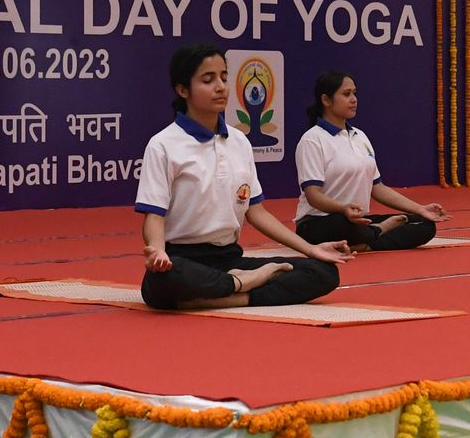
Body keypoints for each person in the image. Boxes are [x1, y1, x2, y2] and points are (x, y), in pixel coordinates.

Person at [136, 45, 352, 309]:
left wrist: (311, 249)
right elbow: (154, 216)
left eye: (224, 77)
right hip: (184, 259)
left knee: (323, 271)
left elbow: (256, 212)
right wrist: (158, 251)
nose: (220, 87)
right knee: (164, 279)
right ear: (183, 90)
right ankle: (240, 285)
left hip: (230, 260)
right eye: (208, 80)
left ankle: (235, 293)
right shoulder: (162, 144)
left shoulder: (239, 141)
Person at [292, 70, 451, 251]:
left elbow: (378, 188)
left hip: (357, 221)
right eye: (346, 94)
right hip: (320, 222)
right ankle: (374, 233)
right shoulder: (312, 139)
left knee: (424, 225)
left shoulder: (360, 136)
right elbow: (313, 195)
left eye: (354, 93)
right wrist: (343, 209)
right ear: (326, 100)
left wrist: (420, 209)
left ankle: (366, 242)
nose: (354, 99)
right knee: (343, 226)